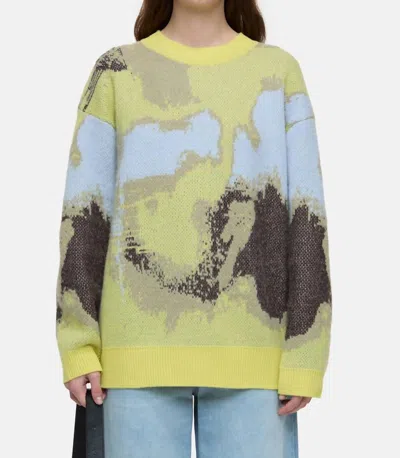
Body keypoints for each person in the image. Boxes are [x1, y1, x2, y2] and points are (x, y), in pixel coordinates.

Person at [56, 0, 332, 456]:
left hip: (256, 360)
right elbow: (84, 213)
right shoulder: (116, 71)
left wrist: (306, 348)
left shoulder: (279, 73)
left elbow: (306, 217)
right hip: (134, 358)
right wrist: (78, 343)